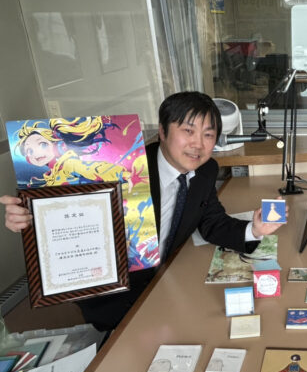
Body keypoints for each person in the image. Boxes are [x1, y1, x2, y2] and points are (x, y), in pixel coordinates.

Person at [1, 91, 284, 330]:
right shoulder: (120, 168)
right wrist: (30, 220)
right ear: (162, 131)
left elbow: (211, 222)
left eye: (208, 134)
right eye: (188, 131)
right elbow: (70, 212)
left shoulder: (206, 170)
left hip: (167, 281)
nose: (198, 144)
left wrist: (255, 229)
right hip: (115, 295)